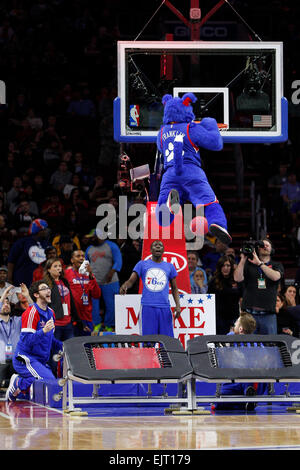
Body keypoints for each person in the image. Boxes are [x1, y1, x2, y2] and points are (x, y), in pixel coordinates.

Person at [5, 280, 63, 402]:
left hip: (40, 360)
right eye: (44, 288)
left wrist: (64, 346)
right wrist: (43, 331)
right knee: (49, 382)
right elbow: (26, 340)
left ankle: (21, 390)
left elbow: (50, 339)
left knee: (50, 382)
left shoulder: (51, 313)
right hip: (25, 358)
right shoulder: (31, 313)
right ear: (36, 295)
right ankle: (18, 382)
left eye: (48, 288)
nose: (48, 290)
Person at [120, 240, 181, 336]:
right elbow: (131, 281)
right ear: (150, 250)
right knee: (148, 342)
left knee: (167, 341)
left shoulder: (170, 266)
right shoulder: (142, 264)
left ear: (163, 250)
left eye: (160, 245)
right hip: (147, 307)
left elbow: (174, 288)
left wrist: (178, 305)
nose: (157, 246)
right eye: (155, 245)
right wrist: (125, 286)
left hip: (165, 308)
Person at [213, 312, 267, 412]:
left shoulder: (231, 337)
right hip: (237, 381)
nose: (234, 326)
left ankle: (249, 395)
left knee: (248, 378)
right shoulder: (258, 343)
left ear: (241, 329)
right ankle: (247, 400)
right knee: (219, 405)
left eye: (236, 324)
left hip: (245, 380)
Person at [234, 238, 284, 334]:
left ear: (272, 250)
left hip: (268, 314)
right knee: (248, 346)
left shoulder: (276, 265)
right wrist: (243, 259)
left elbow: (276, 277)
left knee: (270, 346)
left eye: (267, 245)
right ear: (257, 249)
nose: (264, 247)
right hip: (248, 314)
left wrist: (260, 264)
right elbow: (237, 278)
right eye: (262, 245)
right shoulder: (248, 264)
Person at [85, 230, 122, 332]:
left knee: (111, 304)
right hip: (94, 282)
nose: (92, 239)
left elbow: (118, 261)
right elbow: (85, 263)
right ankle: (96, 324)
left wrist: (112, 271)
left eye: (94, 237)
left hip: (110, 281)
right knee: (93, 305)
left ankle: (109, 325)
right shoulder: (89, 248)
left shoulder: (112, 246)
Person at [43, 257, 81, 341]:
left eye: (60, 266)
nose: (58, 268)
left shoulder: (64, 281)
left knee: (69, 350)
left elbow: (71, 302)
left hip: (68, 322)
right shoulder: (46, 284)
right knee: (56, 352)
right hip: (55, 324)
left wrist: (77, 319)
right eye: (55, 266)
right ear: (49, 269)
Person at [64, 250, 101, 336]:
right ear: (72, 260)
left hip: (86, 317)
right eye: (78, 256)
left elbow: (97, 295)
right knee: (72, 346)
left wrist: (91, 275)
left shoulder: (89, 275)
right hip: (72, 318)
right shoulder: (66, 274)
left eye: (82, 256)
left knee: (86, 346)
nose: (81, 258)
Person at [7, 218, 49, 288]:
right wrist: (9, 279)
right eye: (44, 229)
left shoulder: (46, 244)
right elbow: (11, 261)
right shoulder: (22, 242)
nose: (46, 231)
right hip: (21, 281)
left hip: (41, 283)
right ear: (39, 230)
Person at [208, 255, 243, 334]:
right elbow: (209, 299)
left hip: (234, 317)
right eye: (223, 265)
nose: (225, 268)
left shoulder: (237, 280)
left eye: (228, 265)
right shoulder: (214, 281)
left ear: (232, 267)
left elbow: (242, 297)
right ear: (219, 267)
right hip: (219, 318)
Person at [0, 285, 22, 388]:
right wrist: (4, 294)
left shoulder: (17, 321)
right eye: (3, 303)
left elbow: (33, 311)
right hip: (1, 362)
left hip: (15, 361)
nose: (6, 305)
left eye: (8, 303)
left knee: (22, 382)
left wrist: (26, 295)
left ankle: (8, 383)